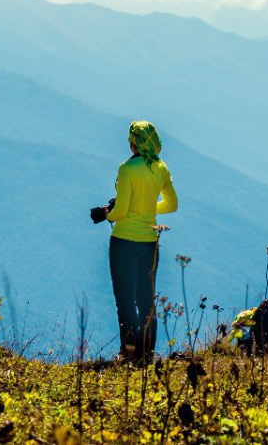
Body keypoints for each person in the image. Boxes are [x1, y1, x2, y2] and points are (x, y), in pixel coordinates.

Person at [105, 120, 178, 362]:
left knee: (125, 299)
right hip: (149, 242)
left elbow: (120, 211)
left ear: (133, 143)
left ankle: (128, 353)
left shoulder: (126, 169)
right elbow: (171, 205)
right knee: (146, 299)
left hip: (124, 241)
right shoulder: (162, 169)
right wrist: (147, 208)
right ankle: (147, 353)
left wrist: (105, 213)